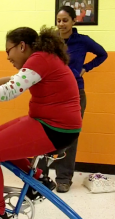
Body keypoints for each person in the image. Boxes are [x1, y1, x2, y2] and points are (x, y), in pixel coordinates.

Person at [0, 26, 82, 219]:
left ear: (22, 46)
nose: (7, 57)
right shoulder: (42, 58)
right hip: (49, 122)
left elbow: (10, 90)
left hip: (55, 128)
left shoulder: (40, 58)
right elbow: (15, 79)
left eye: (8, 51)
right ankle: (38, 181)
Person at [51, 6, 107, 193]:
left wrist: (85, 68)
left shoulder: (83, 41)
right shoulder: (51, 41)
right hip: (51, 94)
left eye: (65, 20)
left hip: (75, 93)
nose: (61, 24)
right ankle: (40, 176)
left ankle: (64, 179)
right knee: (45, 133)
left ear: (74, 21)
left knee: (69, 137)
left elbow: (102, 54)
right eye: (59, 20)